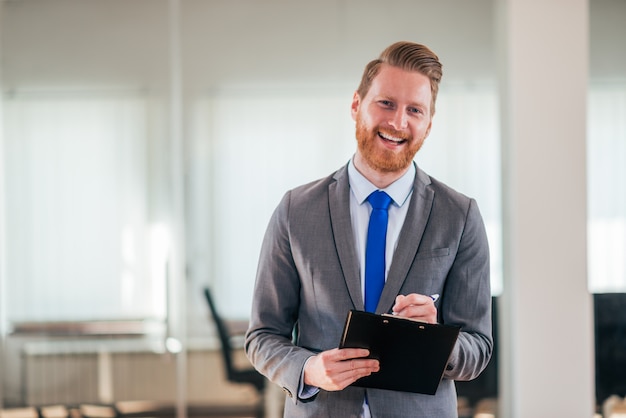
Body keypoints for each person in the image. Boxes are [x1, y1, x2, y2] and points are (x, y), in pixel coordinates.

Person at [245, 41, 492, 418]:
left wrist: (436, 336)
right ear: (356, 104)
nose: (398, 122)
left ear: (428, 124)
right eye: (386, 103)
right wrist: (308, 369)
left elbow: (479, 348)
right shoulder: (296, 210)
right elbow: (262, 337)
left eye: (415, 110)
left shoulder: (460, 215)